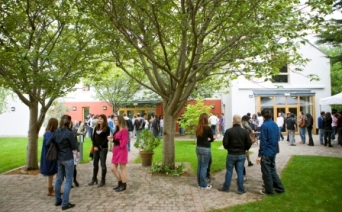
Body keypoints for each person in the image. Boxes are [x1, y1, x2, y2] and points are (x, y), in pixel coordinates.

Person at [46, 115, 78, 210]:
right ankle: (65, 203)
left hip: (59, 159)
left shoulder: (56, 132)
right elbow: (74, 146)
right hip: (68, 158)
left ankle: (57, 200)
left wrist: (56, 143)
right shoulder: (69, 133)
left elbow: (48, 143)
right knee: (68, 180)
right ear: (69, 122)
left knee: (59, 179)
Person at [218, 114, 251, 194]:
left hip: (231, 154)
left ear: (233, 121)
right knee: (240, 172)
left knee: (229, 171)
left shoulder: (229, 131)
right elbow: (249, 143)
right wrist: (246, 149)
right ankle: (240, 189)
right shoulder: (244, 132)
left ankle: (226, 187)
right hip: (241, 154)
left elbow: (225, 143)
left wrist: (228, 148)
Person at [256, 109, 285, 195]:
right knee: (272, 170)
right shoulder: (275, 124)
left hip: (267, 151)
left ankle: (269, 191)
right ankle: (279, 187)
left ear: (263, 116)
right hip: (273, 150)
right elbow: (277, 137)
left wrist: (260, 155)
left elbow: (263, 141)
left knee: (266, 172)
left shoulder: (264, 125)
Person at [88, 114, 110, 187]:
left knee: (103, 164)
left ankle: (103, 180)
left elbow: (106, 139)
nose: (99, 120)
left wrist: (100, 147)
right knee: (95, 164)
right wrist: (94, 146)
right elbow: (93, 138)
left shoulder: (107, 128)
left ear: (104, 120)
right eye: (99, 119)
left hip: (103, 148)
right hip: (95, 148)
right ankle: (94, 178)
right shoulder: (96, 128)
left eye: (101, 119)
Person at [195, 113, 215, 189]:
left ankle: (200, 183)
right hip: (205, 148)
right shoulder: (208, 128)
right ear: (206, 119)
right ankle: (203, 185)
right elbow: (212, 138)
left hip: (198, 148)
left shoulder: (198, 128)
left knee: (200, 166)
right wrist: (210, 139)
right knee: (204, 166)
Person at [110, 115, 129, 192]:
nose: (115, 122)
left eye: (116, 120)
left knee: (122, 168)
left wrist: (114, 141)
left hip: (121, 150)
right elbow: (116, 140)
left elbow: (124, 142)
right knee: (113, 168)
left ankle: (123, 185)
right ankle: (120, 182)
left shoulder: (124, 130)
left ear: (120, 120)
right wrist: (112, 142)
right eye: (114, 120)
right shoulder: (117, 130)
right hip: (116, 150)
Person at [40, 118, 59, 196]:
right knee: (51, 172)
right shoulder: (49, 134)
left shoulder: (48, 133)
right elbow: (49, 143)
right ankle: (50, 189)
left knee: (56, 171)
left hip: (50, 154)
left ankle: (55, 188)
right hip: (50, 155)